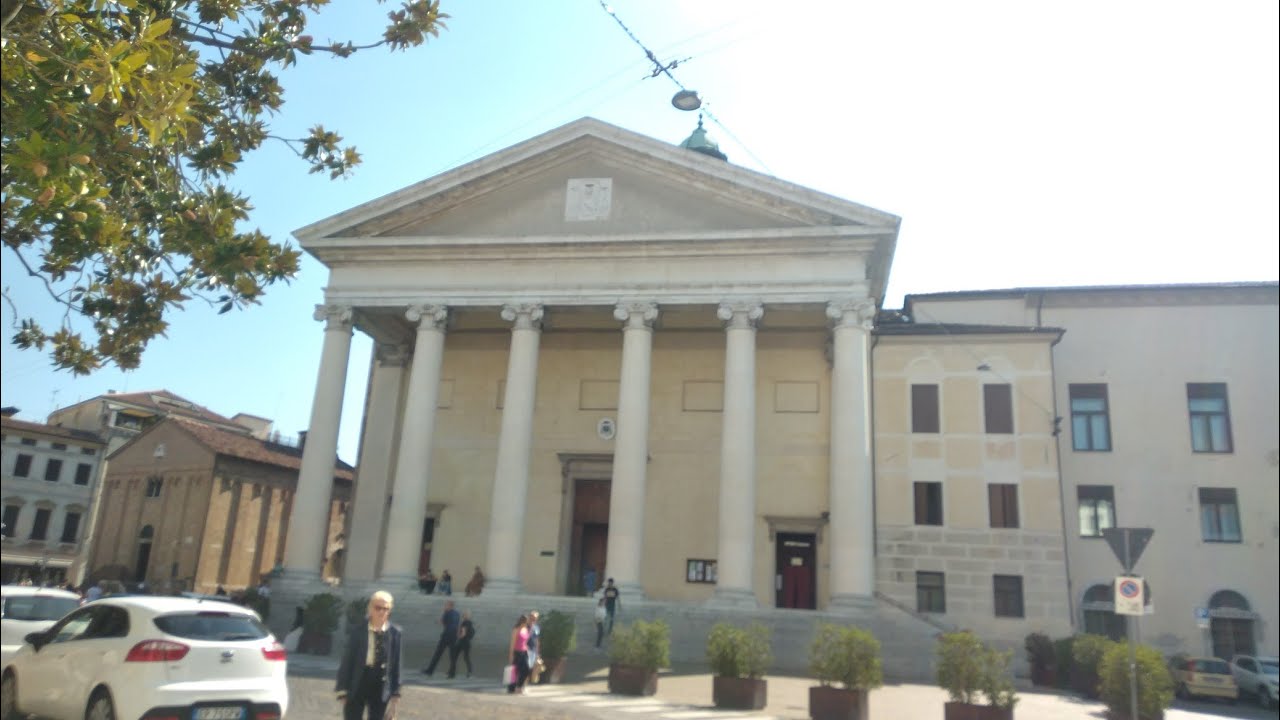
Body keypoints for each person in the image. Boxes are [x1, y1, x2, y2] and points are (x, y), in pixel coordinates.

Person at [335, 590, 402, 720]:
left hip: (380, 685)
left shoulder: (395, 633)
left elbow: (396, 663)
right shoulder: (357, 631)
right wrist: (342, 689)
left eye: (386, 608)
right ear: (370, 608)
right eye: (378, 608)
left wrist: (395, 692)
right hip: (359, 681)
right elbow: (347, 661)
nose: (382, 612)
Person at [422, 600, 460, 677]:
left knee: (438, 654)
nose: (445, 607)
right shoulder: (457, 613)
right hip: (454, 636)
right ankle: (452, 673)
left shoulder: (447, 612)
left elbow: (443, 622)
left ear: (450, 606)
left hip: (446, 636)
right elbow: (456, 624)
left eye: (446, 605)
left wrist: (438, 621)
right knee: (452, 655)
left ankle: (430, 671)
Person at [506, 614, 531, 694]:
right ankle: (511, 688)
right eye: (526, 621)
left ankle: (519, 686)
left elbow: (525, 641)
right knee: (515, 671)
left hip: (524, 652)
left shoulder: (526, 629)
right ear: (522, 621)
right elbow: (512, 643)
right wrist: (511, 655)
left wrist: (527, 649)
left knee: (526, 669)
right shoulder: (516, 629)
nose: (527, 623)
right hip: (517, 652)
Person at [448, 610, 475, 678]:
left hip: (462, 642)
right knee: (466, 657)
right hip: (467, 643)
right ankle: (470, 671)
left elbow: (463, 633)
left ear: (465, 616)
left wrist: (458, 637)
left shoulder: (465, 623)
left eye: (464, 614)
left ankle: (451, 672)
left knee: (454, 656)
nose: (463, 615)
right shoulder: (470, 623)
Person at [526, 611, 542, 684]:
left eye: (535, 618)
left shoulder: (536, 628)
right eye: (532, 617)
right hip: (525, 650)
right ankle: (522, 685)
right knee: (525, 668)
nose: (533, 619)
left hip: (533, 650)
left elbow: (537, 640)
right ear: (529, 617)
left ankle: (525, 684)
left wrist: (538, 653)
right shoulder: (525, 627)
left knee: (530, 667)